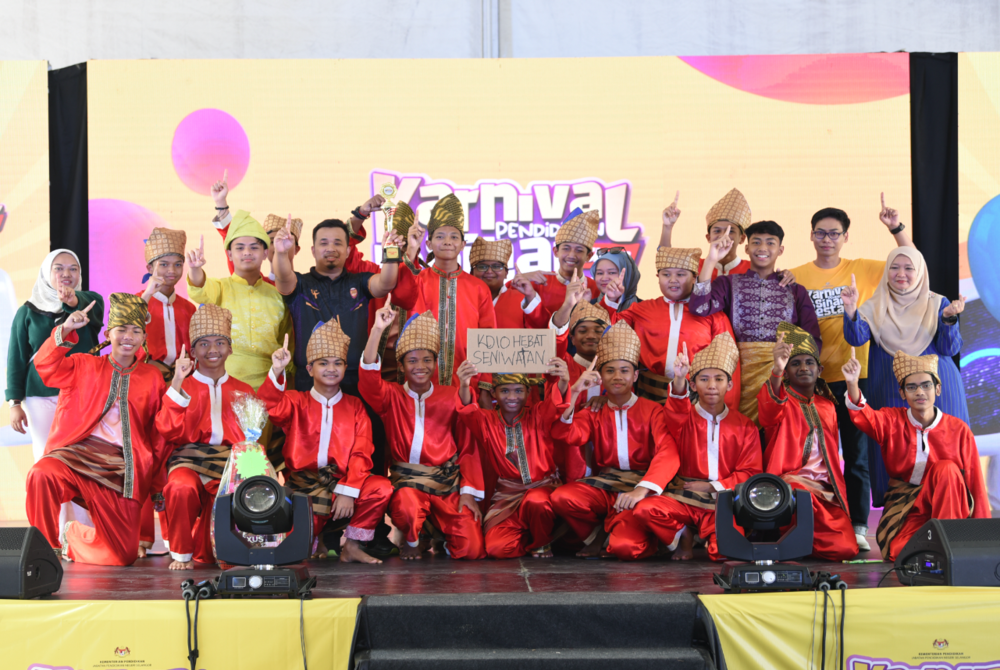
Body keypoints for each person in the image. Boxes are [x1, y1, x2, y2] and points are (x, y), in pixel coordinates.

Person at [788, 196, 913, 550]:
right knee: (809, 456)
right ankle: (811, 524)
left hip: (854, 378)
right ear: (811, 236)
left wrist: (896, 228)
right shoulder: (796, 275)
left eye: (834, 233)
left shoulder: (863, 268)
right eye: (820, 233)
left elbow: (911, 260)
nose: (827, 239)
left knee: (855, 455)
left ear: (846, 237)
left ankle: (858, 525)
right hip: (809, 380)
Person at [25, 294, 169, 565]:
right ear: (108, 333)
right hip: (76, 455)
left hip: (121, 467)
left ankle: (72, 537)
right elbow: (45, 367)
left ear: (143, 337)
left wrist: (157, 485)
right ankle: (42, 550)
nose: (128, 336)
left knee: (122, 555)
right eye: (122, 329)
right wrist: (65, 330)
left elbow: (158, 435)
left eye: (136, 330)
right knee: (41, 474)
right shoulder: (85, 365)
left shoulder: (152, 377)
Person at [841, 246, 973, 509]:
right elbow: (856, 337)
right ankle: (900, 514)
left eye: (909, 268)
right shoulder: (874, 305)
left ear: (920, 271)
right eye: (894, 267)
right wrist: (852, 310)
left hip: (939, 391)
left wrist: (948, 320)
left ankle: (955, 511)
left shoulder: (938, 303)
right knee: (896, 450)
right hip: (891, 388)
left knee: (946, 453)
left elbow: (950, 349)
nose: (901, 274)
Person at [261, 319, 393, 564]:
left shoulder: (355, 406)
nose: (331, 369)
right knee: (292, 553)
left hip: (341, 485)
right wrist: (277, 370)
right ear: (310, 369)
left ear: (345, 367)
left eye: (338, 363)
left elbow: (361, 453)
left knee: (380, 487)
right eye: (323, 363)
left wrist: (348, 490)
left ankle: (351, 546)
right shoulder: (294, 401)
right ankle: (315, 537)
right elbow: (268, 407)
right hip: (302, 489)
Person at [359, 308, 485, 560]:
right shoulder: (391, 395)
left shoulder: (450, 395)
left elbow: (469, 444)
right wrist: (377, 331)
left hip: (446, 485)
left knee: (471, 550)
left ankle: (436, 535)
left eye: (427, 360)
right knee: (407, 506)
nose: (420, 366)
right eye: (412, 360)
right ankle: (411, 537)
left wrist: (469, 492)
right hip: (408, 485)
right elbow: (369, 379)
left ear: (435, 363)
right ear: (402, 364)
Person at [842, 349, 989, 561]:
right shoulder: (891, 420)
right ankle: (938, 550)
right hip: (907, 505)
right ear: (902, 393)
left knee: (947, 469)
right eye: (911, 387)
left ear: (937, 389)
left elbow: (974, 482)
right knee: (901, 552)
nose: (920, 392)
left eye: (926, 385)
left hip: (949, 505)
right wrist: (852, 383)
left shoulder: (959, 429)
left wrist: (982, 539)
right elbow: (864, 417)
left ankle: (948, 545)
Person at [551, 322, 679, 559]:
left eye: (624, 370)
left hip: (639, 487)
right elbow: (567, 434)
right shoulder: (594, 411)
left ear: (636, 375)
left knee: (626, 549)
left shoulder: (654, 411)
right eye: (609, 371)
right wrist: (576, 391)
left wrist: (642, 490)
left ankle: (631, 534)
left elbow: (668, 452)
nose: (617, 377)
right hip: (606, 485)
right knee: (562, 497)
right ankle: (600, 534)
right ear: (601, 376)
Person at [631, 333, 761, 561]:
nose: (712, 386)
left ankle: (708, 533)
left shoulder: (745, 425)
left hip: (722, 500)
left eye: (719, 379)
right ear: (693, 384)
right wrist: (679, 378)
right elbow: (676, 410)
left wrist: (713, 487)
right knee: (645, 509)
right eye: (704, 379)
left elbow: (750, 471)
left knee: (724, 554)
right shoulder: (683, 418)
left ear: (729, 384)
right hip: (683, 497)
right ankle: (683, 534)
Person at [689, 220, 821, 425]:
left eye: (770, 243)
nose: (763, 248)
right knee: (738, 430)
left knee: (778, 431)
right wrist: (711, 260)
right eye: (757, 242)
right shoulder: (728, 284)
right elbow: (699, 308)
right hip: (738, 373)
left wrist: (788, 365)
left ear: (781, 249)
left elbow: (812, 341)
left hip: (781, 374)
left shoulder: (795, 290)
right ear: (747, 247)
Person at [7, 250, 102, 527]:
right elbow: (15, 358)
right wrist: (14, 403)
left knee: (82, 461)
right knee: (48, 461)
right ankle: (55, 534)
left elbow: (95, 308)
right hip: (40, 398)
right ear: (47, 274)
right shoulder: (26, 312)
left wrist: (73, 302)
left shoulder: (88, 305)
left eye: (73, 269)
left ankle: (84, 532)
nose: (66, 274)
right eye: (58, 269)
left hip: (83, 397)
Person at [156, 305, 253, 570]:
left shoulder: (243, 390)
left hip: (228, 465)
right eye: (204, 343)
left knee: (213, 553)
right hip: (188, 460)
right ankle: (180, 554)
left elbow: (250, 440)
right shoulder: (181, 386)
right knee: (180, 487)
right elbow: (167, 429)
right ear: (193, 349)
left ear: (230, 348)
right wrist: (176, 380)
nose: (213, 349)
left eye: (220, 342)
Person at [758, 322, 858, 561]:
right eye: (795, 363)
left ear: (819, 369)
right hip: (790, 486)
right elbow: (768, 413)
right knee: (799, 494)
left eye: (809, 362)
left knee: (847, 548)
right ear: (788, 371)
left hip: (824, 490)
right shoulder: (780, 398)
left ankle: (796, 545)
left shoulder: (827, 406)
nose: (803, 368)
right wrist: (776, 370)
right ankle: (794, 542)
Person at [272, 216, 400, 392]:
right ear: (313, 250)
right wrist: (280, 253)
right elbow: (283, 276)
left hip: (356, 381)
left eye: (337, 243)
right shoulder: (299, 284)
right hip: (309, 382)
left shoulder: (360, 282)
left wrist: (391, 252)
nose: (331, 248)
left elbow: (386, 283)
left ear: (348, 250)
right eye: (324, 243)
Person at [457, 363, 570, 559]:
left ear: (528, 392)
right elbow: (467, 409)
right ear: (493, 393)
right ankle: (529, 536)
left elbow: (555, 402)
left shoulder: (538, 415)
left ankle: (541, 542)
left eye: (518, 391)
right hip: (508, 495)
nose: (512, 397)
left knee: (536, 501)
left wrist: (564, 380)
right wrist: (465, 384)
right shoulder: (486, 421)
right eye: (505, 391)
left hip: (542, 488)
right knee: (497, 549)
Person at [607, 247, 739, 409]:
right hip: (647, 397)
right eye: (666, 274)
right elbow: (609, 333)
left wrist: (727, 409)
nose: (673, 280)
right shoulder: (640, 310)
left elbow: (729, 363)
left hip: (698, 400)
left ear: (694, 278)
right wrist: (612, 300)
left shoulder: (713, 316)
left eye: (681, 274)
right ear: (658, 277)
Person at [391, 194, 497, 388]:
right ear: (429, 244)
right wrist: (411, 250)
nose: (447, 241)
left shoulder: (478, 287)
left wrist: (485, 385)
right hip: (422, 382)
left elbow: (488, 337)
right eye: (440, 236)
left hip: (467, 383)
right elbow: (399, 295)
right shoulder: (417, 280)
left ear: (463, 245)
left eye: (454, 237)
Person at [186, 213, 287, 391]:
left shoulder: (277, 296)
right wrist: (195, 270)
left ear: (265, 253)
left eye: (253, 247)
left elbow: (287, 340)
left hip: (269, 380)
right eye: (240, 248)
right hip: (226, 380)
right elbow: (200, 289)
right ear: (230, 254)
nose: (247, 252)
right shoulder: (220, 287)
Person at [510, 209, 601, 324]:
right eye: (566, 248)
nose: (571, 255)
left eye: (579, 250)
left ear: (589, 256)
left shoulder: (596, 290)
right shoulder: (537, 283)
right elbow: (502, 300)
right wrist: (522, 278)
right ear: (555, 251)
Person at [138, 227, 196, 381]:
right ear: (150, 268)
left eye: (178, 264)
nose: (172, 270)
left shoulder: (188, 308)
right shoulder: (135, 302)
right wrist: (148, 295)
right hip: (144, 381)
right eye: (164, 264)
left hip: (183, 380)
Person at [658, 189, 751, 280]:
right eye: (717, 231)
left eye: (730, 231)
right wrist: (667, 227)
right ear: (708, 237)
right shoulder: (694, 266)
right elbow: (665, 261)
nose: (723, 236)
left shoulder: (752, 269)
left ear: (742, 239)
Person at [590, 247, 640, 313]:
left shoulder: (644, 309)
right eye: (600, 273)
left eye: (612, 272)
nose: (604, 278)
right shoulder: (589, 307)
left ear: (628, 275)